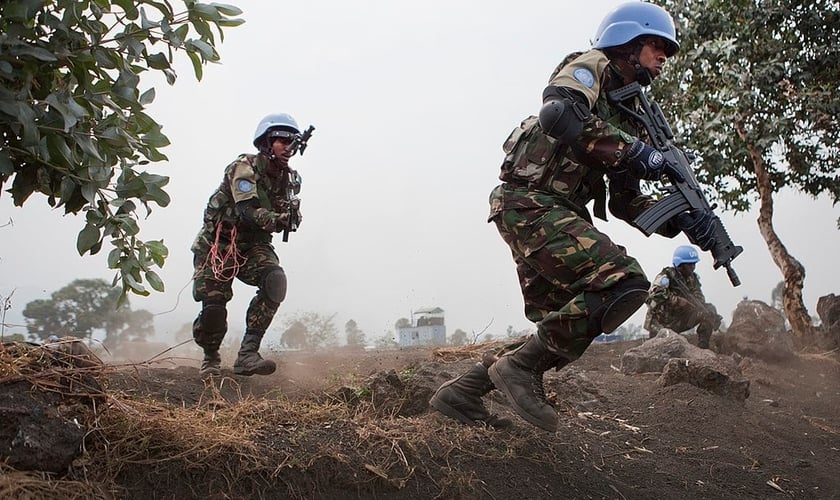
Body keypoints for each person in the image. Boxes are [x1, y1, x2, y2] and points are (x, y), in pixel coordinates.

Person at [430, 1, 720, 431]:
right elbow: (558, 113)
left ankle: (463, 393)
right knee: (627, 282)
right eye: (658, 47)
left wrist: (680, 219)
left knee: (565, 324)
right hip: (529, 200)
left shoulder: (630, 118)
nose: (663, 58)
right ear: (629, 41)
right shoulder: (593, 66)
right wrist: (638, 151)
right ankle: (518, 372)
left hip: (551, 209)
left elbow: (625, 204)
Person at [190, 113, 307, 378]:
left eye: (292, 143)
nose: (288, 147)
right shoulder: (243, 167)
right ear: (266, 142)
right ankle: (210, 357)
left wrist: (291, 218)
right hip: (218, 244)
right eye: (281, 140)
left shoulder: (288, 179)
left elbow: (284, 212)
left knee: (274, 280)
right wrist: (277, 220)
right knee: (214, 308)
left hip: (253, 245)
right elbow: (247, 211)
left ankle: (247, 354)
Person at [644, 245, 722, 348]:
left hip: (678, 320)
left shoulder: (692, 279)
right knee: (660, 348)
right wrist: (676, 300)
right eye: (689, 264)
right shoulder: (666, 276)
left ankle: (703, 346)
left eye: (694, 264)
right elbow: (652, 295)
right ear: (680, 264)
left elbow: (699, 297)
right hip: (660, 322)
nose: (693, 267)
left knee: (708, 310)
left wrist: (701, 309)